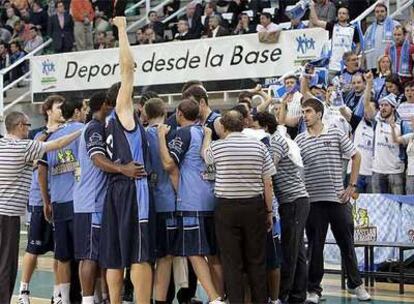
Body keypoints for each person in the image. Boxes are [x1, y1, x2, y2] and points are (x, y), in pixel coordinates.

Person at [0, 110, 82, 304]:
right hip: (8, 216)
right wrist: (81, 130)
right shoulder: (24, 147)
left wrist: (47, 132)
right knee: (6, 266)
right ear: (20, 126)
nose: (29, 130)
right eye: (27, 126)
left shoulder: (3, 145)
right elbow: (58, 144)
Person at [99, 16, 154, 304]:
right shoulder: (123, 114)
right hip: (132, 189)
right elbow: (128, 70)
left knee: (114, 256)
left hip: (115, 191)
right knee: (140, 255)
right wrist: (121, 29)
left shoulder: (106, 123)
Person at [295, 98, 370, 303]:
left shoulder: (335, 132)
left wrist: (352, 185)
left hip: (338, 200)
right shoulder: (299, 141)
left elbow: (356, 156)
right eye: (303, 112)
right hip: (313, 202)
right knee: (315, 247)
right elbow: (296, 170)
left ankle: (356, 285)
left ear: (319, 113)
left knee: (347, 244)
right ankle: (313, 290)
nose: (305, 115)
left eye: (308, 111)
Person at [203, 110, 276, 303]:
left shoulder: (217, 147)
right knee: (257, 260)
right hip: (254, 206)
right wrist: (269, 211)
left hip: (226, 208)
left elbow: (205, 156)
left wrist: (208, 136)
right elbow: (268, 182)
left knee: (231, 262)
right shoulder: (259, 146)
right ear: (243, 125)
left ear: (224, 127)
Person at [158, 99, 225, 304]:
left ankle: (214, 298)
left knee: (194, 253)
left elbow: (170, 166)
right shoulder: (206, 133)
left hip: (192, 202)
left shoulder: (183, 133)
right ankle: (221, 296)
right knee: (213, 254)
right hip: (211, 198)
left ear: (179, 113)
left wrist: (161, 137)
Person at [39, 98, 87, 304]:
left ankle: (64, 299)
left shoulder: (51, 137)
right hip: (81, 203)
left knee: (63, 256)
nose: (85, 113)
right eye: (84, 109)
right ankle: (92, 298)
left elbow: (42, 170)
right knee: (87, 255)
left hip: (58, 202)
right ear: (77, 112)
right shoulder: (85, 131)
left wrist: (46, 201)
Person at [18, 95, 65, 304]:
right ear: (48, 111)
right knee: (33, 248)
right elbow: (34, 160)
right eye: (58, 107)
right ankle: (23, 291)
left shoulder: (67, 133)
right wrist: (48, 135)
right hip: (39, 199)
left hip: (60, 198)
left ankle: (57, 293)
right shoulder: (38, 134)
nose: (62, 110)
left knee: (59, 250)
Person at [270, 120, 310, 304]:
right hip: (293, 201)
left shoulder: (276, 142)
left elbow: (270, 169)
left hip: (294, 201)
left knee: (290, 250)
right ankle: (298, 295)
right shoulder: (275, 140)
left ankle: (283, 295)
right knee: (298, 250)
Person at [144, 98, 177, 303]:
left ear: (145, 114)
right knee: (165, 258)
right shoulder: (172, 133)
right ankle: (161, 300)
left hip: (144, 203)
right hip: (167, 201)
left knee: (145, 258)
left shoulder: (140, 134)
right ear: (165, 111)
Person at [363, 71, 411, 194]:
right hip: (377, 170)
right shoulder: (377, 121)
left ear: (393, 108)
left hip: (396, 171)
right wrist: (369, 84)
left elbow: (407, 145)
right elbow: (366, 104)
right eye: (381, 105)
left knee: (397, 205)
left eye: (386, 105)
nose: (383, 108)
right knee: (378, 205)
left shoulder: (402, 124)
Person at [309, 2, 360, 77]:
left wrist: (354, 56)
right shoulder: (333, 26)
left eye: (343, 13)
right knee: (331, 88)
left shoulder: (353, 28)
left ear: (348, 16)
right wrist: (312, 7)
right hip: (333, 66)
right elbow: (315, 22)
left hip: (347, 67)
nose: (341, 15)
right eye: (339, 13)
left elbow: (358, 44)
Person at [364, 3, 399, 72]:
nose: (380, 13)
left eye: (382, 11)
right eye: (377, 12)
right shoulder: (370, 29)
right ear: (374, 13)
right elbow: (365, 48)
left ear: (386, 12)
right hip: (374, 64)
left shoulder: (395, 25)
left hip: (390, 63)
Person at [390, 117, 414, 194]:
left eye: (412, 122)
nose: (411, 124)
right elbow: (395, 140)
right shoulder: (411, 136)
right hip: (410, 174)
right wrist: (393, 128)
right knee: (409, 201)